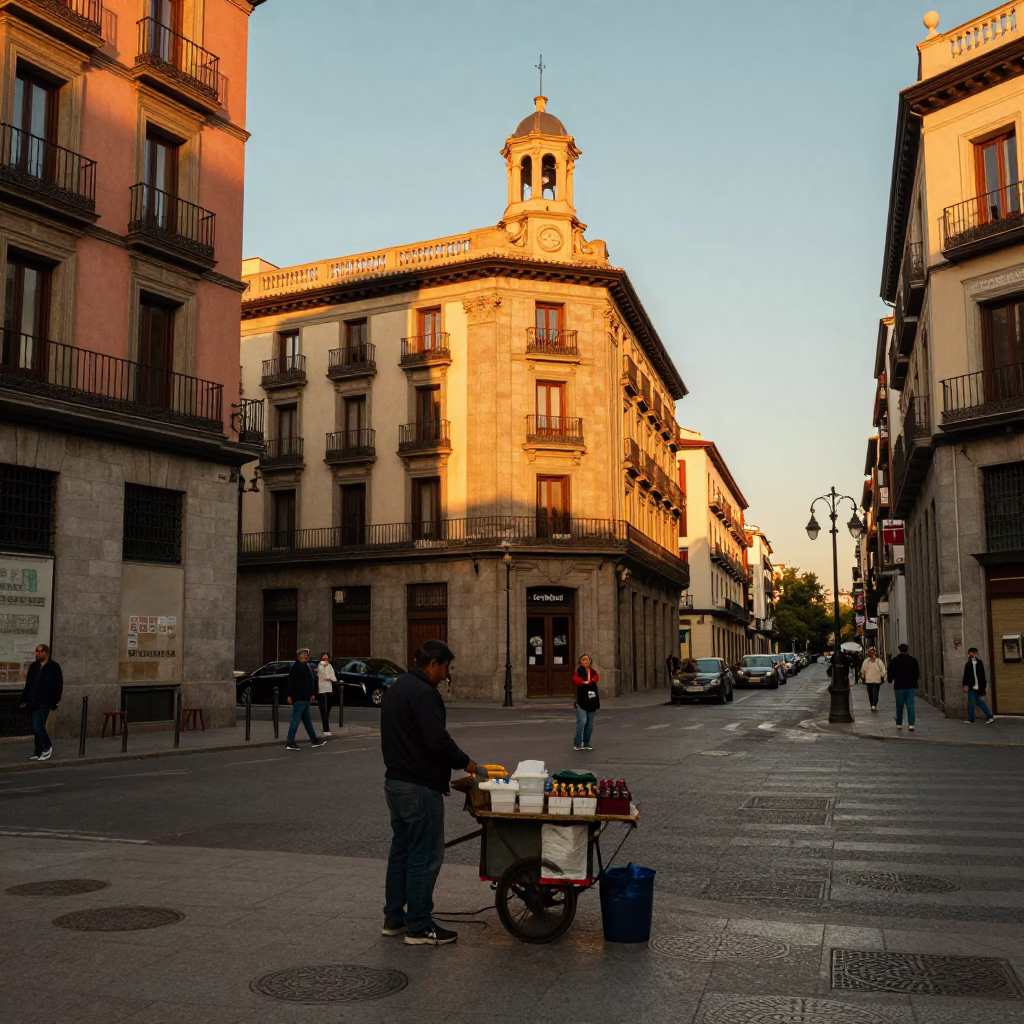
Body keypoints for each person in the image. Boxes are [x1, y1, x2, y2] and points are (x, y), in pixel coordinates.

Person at [380, 639, 479, 946]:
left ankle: (394, 918)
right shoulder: (425, 693)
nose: (445, 675)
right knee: (425, 856)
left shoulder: (397, 688)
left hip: (395, 782)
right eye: (446, 668)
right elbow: (437, 740)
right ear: (433, 664)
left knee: (402, 853)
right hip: (419, 786)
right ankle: (419, 926)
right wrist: (468, 764)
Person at [19, 644, 63, 762]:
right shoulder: (34, 666)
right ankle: (37, 752)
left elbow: (58, 685)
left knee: (37, 726)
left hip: (46, 701)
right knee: (38, 727)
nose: (36, 654)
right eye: (36, 652)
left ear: (45, 653)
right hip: (34, 701)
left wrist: (56, 701)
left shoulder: (54, 667)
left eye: (39, 652)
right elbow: (29, 684)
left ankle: (47, 746)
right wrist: (24, 699)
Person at [285, 648, 327, 750]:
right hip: (299, 698)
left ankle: (314, 740)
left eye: (307, 654)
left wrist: (312, 693)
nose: (307, 656)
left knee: (307, 721)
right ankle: (290, 743)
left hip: (304, 698)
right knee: (295, 721)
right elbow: (292, 682)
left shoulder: (304, 666)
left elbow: (309, 681)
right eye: (305, 654)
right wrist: (290, 695)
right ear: (299, 656)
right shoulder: (297, 667)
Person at [887, 643, 920, 732]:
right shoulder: (913, 660)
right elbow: (917, 672)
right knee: (911, 705)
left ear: (899, 650)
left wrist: (890, 680)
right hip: (911, 685)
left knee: (899, 705)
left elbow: (890, 672)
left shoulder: (895, 660)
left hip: (899, 686)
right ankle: (911, 724)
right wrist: (915, 682)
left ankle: (899, 723)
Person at [572, 654, 600, 751]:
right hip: (581, 700)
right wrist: (584, 682)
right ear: (580, 662)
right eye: (583, 660)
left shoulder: (592, 671)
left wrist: (591, 680)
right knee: (582, 722)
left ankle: (586, 742)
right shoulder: (578, 672)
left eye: (587, 660)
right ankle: (577, 743)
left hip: (592, 700)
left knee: (590, 724)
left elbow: (596, 677)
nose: (585, 662)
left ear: (590, 661)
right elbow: (575, 679)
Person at [962, 647, 995, 724]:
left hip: (978, 686)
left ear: (975, 654)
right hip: (972, 686)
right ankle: (989, 716)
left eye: (972, 653)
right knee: (977, 702)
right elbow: (965, 676)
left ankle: (972, 719)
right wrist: (965, 685)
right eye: (970, 653)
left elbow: (982, 675)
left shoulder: (980, 663)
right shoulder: (968, 664)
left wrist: (983, 687)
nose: (971, 655)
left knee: (972, 703)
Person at [315, 652, 337, 736]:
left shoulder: (330, 666)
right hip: (321, 690)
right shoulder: (319, 666)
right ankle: (326, 729)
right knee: (323, 710)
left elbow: (333, 677)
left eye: (326, 658)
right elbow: (322, 676)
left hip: (329, 689)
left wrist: (328, 677)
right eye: (323, 657)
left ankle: (325, 724)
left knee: (328, 709)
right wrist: (328, 676)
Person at [860, 647, 885, 712]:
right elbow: (883, 670)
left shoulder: (866, 661)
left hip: (868, 679)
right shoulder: (878, 661)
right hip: (877, 679)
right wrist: (882, 677)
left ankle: (872, 704)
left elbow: (863, 670)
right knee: (875, 692)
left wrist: (863, 678)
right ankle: (874, 704)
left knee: (870, 692)